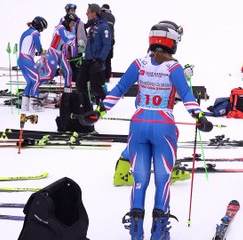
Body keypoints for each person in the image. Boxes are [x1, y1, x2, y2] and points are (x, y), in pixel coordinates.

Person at [80, 20, 213, 240]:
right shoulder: (174, 68)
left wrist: (99, 112)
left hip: (138, 124)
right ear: (173, 42)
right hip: (164, 127)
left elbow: (120, 89)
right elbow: (187, 96)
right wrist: (199, 117)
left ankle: (135, 233)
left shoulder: (139, 63)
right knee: (163, 180)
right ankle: (159, 233)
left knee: (139, 180)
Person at [76, 3, 111, 115]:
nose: (86, 13)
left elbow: (107, 45)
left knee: (96, 86)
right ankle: (84, 105)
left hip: (97, 61)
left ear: (94, 13)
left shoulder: (103, 26)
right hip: (88, 60)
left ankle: (103, 107)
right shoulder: (93, 25)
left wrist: (100, 60)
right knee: (80, 83)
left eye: (88, 12)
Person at [18, 16, 48, 112]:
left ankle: (25, 105)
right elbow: (38, 47)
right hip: (27, 60)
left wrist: (36, 53)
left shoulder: (26, 32)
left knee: (30, 82)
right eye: (43, 29)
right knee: (37, 80)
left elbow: (27, 48)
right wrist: (41, 51)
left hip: (21, 59)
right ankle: (34, 105)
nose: (42, 31)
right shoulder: (35, 33)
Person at [100, 4, 115, 82]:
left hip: (103, 40)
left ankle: (101, 77)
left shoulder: (101, 14)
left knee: (102, 59)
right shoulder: (112, 17)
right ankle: (107, 77)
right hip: (111, 40)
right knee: (108, 59)